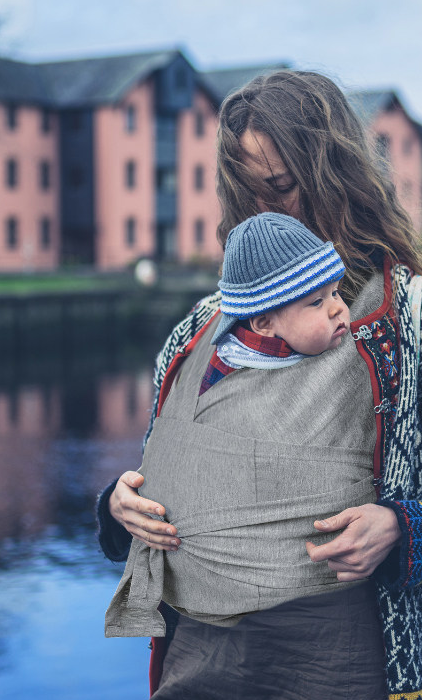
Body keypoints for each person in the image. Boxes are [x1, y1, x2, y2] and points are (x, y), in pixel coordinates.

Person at [95, 69, 422, 700]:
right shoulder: (197, 335)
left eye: (285, 186)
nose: (271, 209)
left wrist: (400, 529)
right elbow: (161, 495)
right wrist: (120, 507)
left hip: (341, 689)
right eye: (251, 190)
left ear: (337, 174)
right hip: (198, 680)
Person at [104, 211, 356, 639]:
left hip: (320, 617)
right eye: (316, 302)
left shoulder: (354, 360)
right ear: (263, 323)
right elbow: (168, 464)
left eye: (337, 292)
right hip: (201, 622)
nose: (337, 309)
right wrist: (116, 502)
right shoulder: (204, 366)